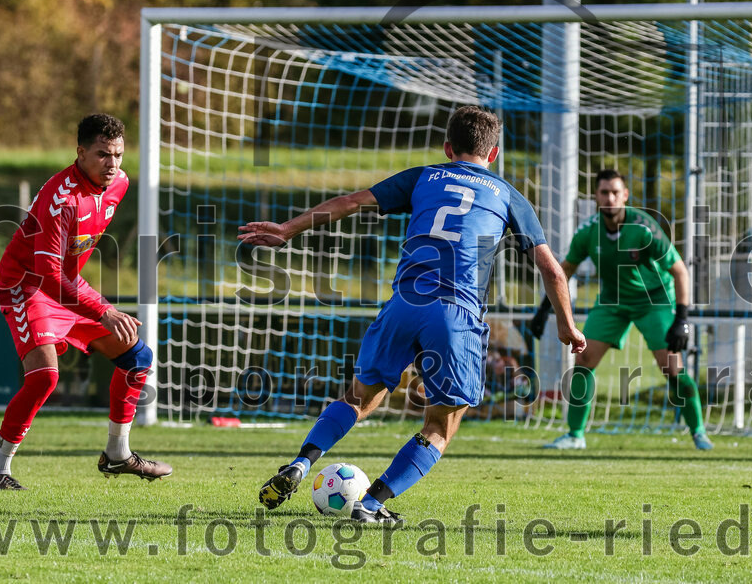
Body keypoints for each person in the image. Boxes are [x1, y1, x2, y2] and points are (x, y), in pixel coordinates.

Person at [240, 106, 586, 523]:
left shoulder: (424, 176)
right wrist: (566, 325)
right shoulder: (508, 194)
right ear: (492, 154)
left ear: (446, 148)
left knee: (358, 397)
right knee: (441, 424)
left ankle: (300, 462)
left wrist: (287, 229)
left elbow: (351, 202)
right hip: (455, 314)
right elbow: (551, 268)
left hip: (404, 303)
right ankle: (371, 504)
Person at [0, 114, 172, 490]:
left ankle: (118, 454)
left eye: (118, 154)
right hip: (27, 285)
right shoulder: (61, 198)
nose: (112, 164)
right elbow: (49, 274)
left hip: (67, 285)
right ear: (80, 152)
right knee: (45, 377)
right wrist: (103, 308)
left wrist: (95, 304)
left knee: (138, 357)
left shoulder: (119, 185)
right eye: (103, 154)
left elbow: (66, 269)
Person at [530, 170, 712, 450]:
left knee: (671, 367)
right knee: (584, 359)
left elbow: (680, 271)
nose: (610, 198)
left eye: (616, 192)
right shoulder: (588, 232)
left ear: (625, 195)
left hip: (654, 301)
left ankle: (698, 430)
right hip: (612, 302)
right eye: (604, 192)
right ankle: (575, 435)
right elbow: (563, 270)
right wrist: (544, 309)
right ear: (596, 197)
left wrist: (682, 319)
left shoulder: (644, 228)